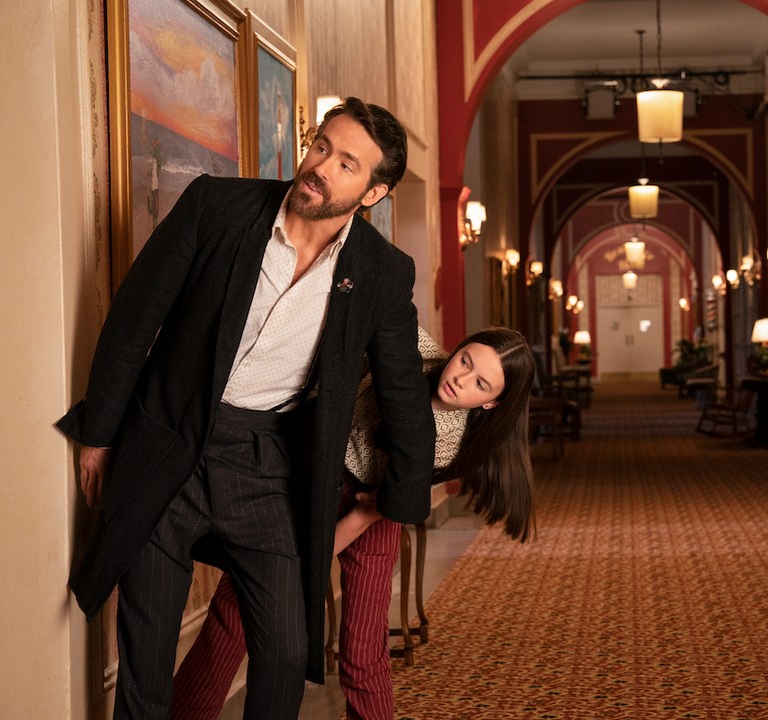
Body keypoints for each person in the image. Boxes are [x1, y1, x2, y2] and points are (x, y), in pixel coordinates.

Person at [56, 97, 436, 720]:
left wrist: (402, 495)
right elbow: (134, 317)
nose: (320, 168)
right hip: (168, 441)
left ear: (374, 193)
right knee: (146, 655)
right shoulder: (217, 206)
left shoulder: (381, 271)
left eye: (346, 164)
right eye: (321, 147)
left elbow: (401, 389)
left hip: (267, 463)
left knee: (286, 650)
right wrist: (99, 434)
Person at [170, 327, 536, 720]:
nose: (461, 379)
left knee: (363, 651)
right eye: (465, 361)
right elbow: (379, 315)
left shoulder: (447, 445)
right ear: (458, 349)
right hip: (318, 478)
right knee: (235, 608)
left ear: (491, 403)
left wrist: (300, 561)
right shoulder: (418, 352)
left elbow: (364, 516)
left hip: (373, 515)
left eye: (480, 384)